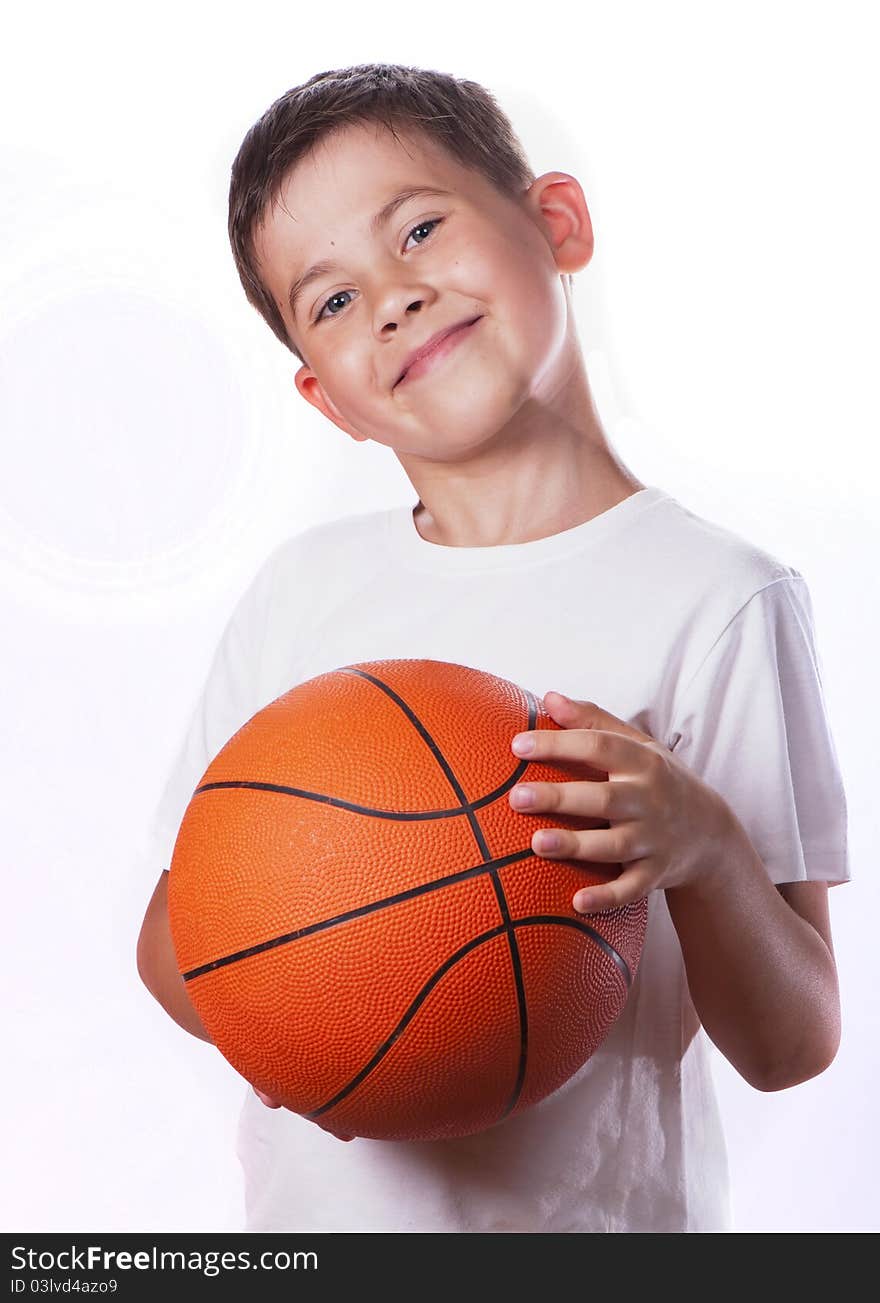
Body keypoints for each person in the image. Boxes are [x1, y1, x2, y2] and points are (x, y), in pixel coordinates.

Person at [136, 62, 850, 1233]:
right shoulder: (303, 593)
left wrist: (707, 847)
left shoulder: (718, 598)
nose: (394, 299)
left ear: (553, 222)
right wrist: (322, 1014)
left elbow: (792, 1045)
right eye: (332, 299)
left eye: (419, 227)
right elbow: (174, 949)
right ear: (330, 400)